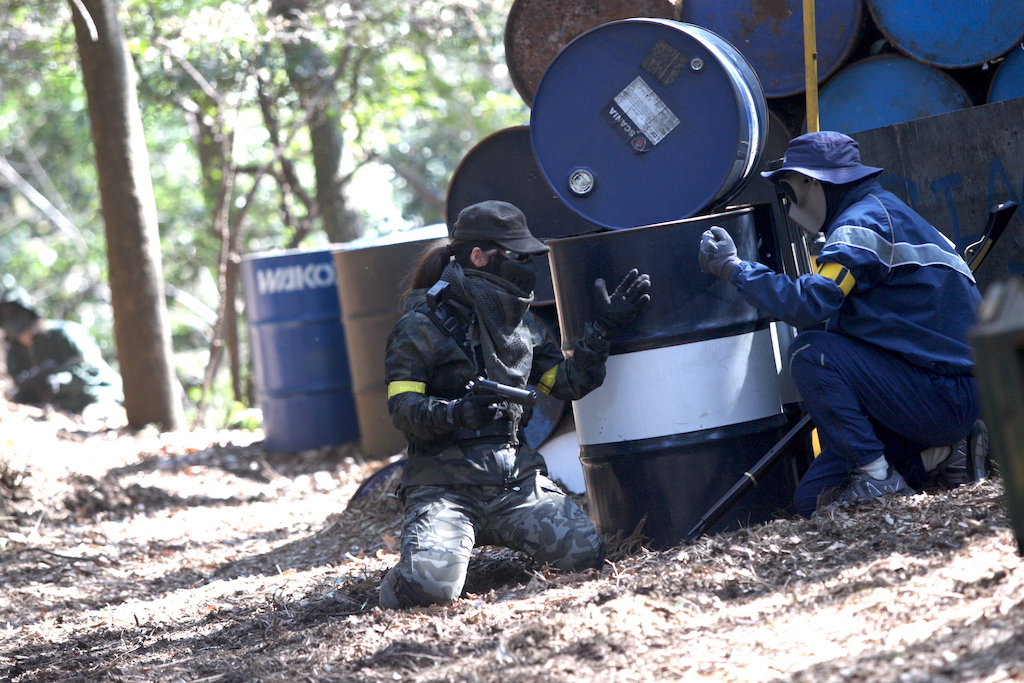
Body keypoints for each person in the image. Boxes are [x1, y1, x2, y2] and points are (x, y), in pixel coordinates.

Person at [698, 131, 985, 517]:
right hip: (930, 391)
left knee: (811, 352)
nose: (789, 204)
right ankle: (944, 453)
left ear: (812, 183)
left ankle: (877, 478)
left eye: (789, 190)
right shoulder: (887, 213)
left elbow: (809, 305)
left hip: (940, 395)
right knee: (816, 499)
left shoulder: (860, 226)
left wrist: (734, 268)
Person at [380, 200, 651, 608]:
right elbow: (404, 411)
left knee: (584, 554)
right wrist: (457, 413)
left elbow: (568, 383)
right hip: (444, 489)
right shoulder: (419, 327)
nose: (527, 266)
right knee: (430, 590)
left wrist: (602, 330)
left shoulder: (521, 325)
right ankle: (404, 578)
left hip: (515, 484)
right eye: (517, 256)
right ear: (479, 257)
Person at [1, 286, 124, 423]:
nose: (10, 321)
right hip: (62, 407)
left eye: (14, 313)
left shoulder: (65, 333)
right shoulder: (15, 353)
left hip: (96, 394)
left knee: (93, 416)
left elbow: (95, 371)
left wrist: (61, 381)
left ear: (28, 313)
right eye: (4, 316)